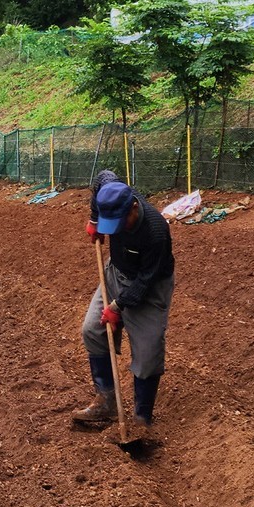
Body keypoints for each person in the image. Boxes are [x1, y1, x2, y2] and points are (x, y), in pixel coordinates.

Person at [73, 172, 175, 431]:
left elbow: (144, 283)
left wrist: (117, 307)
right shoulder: (112, 189)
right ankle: (106, 402)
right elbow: (101, 179)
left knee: (148, 352)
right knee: (92, 330)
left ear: (133, 207)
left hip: (149, 286)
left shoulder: (156, 231)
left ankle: (142, 419)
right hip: (116, 272)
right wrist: (95, 219)